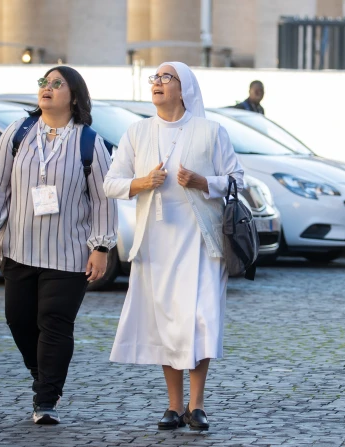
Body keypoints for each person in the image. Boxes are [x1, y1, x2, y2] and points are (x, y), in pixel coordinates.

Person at [104, 61, 244, 431]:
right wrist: (142, 183)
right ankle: (173, 405)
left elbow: (236, 179)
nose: (158, 83)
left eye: (167, 78)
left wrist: (203, 181)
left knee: (200, 320)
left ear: (185, 90)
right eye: (155, 78)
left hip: (201, 240)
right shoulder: (137, 132)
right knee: (167, 321)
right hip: (157, 242)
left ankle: (196, 406)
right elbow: (111, 183)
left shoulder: (211, 131)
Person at [0, 66, 117, 424]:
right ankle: (43, 376)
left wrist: (100, 247)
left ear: (74, 96)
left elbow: (103, 199)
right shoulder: (18, 133)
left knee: (54, 322)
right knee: (19, 320)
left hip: (68, 254)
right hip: (20, 248)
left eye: (57, 84)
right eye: (45, 83)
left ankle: (46, 399)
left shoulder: (90, 142)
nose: (48, 88)